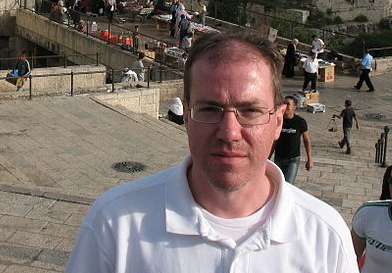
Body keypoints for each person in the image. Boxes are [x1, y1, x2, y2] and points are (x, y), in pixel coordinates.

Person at [66, 31, 358, 272]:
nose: (229, 133)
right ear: (187, 117)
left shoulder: (325, 235)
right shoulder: (115, 225)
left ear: (278, 121)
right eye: (209, 109)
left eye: (251, 111)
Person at [270, 94, 314, 185]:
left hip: (293, 159)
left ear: (294, 107)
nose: (285, 106)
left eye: (288, 104)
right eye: (284, 103)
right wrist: (268, 157)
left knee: (289, 184)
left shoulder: (300, 122)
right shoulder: (278, 120)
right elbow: (274, 140)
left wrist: (309, 159)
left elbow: (306, 140)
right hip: (279, 158)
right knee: (278, 184)